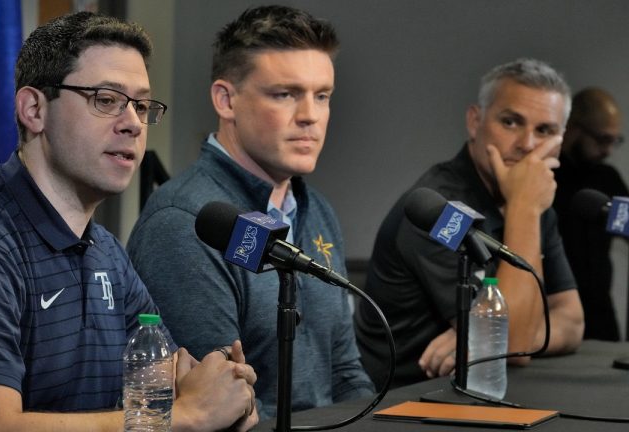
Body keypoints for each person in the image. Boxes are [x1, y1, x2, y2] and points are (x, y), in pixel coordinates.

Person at [0, 12, 258, 432]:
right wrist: (185, 415)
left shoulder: (106, 252)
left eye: (141, 105)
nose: (131, 124)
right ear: (34, 109)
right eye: (106, 100)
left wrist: (221, 389)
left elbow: (168, 381)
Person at [127, 5, 375, 418]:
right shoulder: (186, 223)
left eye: (322, 96)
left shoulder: (316, 209)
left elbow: (346, 371)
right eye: (285, 94)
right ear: (226, 100)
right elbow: (222, 408)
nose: (310, 116)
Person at [355, 58, 585, 389]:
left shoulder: (535, 203)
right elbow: (516, 342)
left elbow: (572, 320)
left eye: (545, 130)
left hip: (476, 389)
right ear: (475, 121)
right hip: (402, 399)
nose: (528, 145)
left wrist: (485, 336)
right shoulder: (437, 208)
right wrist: (496, 336)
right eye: (510, 122)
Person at [553, 87, 628, 341]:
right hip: (553, 313)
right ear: (574, 129)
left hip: (600, 315)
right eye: (601, 139)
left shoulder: (608, 179)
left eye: (613, 141)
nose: (608, 150)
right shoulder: (546, 177)